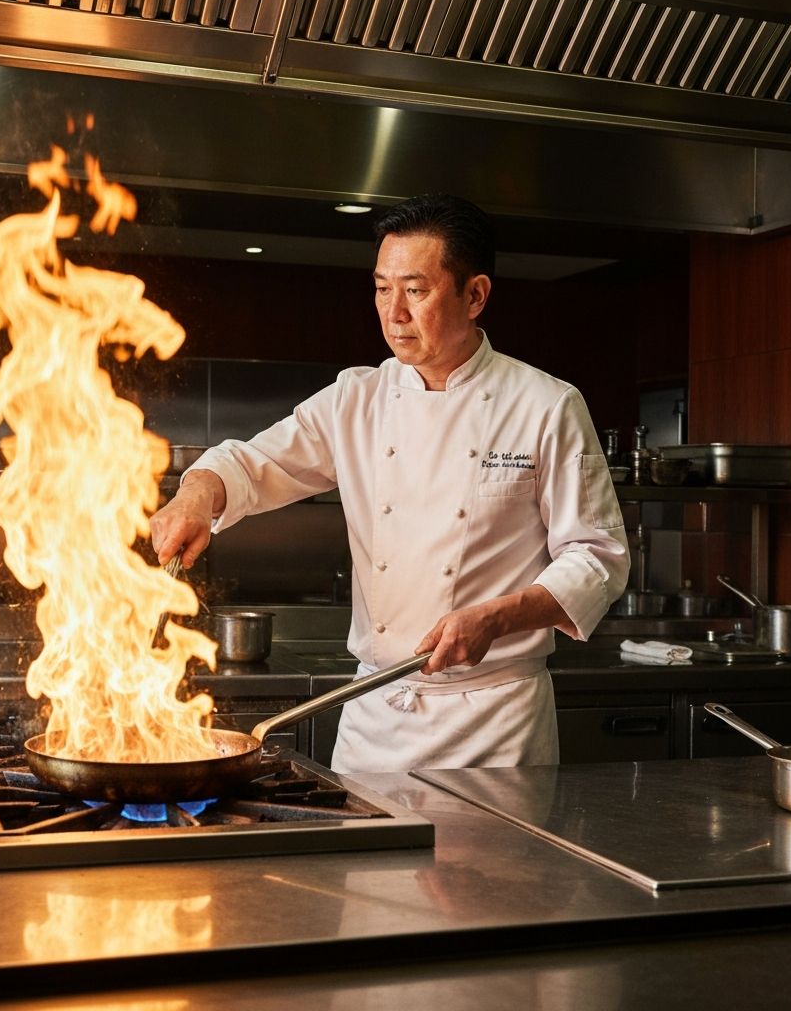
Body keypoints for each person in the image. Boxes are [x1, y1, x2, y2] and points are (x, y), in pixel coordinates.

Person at [149, 194, 629, 773]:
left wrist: (497, 617)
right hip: (374, 717)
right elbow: (250, 464)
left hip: (494, 724)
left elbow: (597, 558)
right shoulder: (358, 399)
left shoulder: (545, 405)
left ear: (474, 295)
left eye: (416, 290)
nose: (393, 312)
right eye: (381, 288)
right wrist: (197, 496)